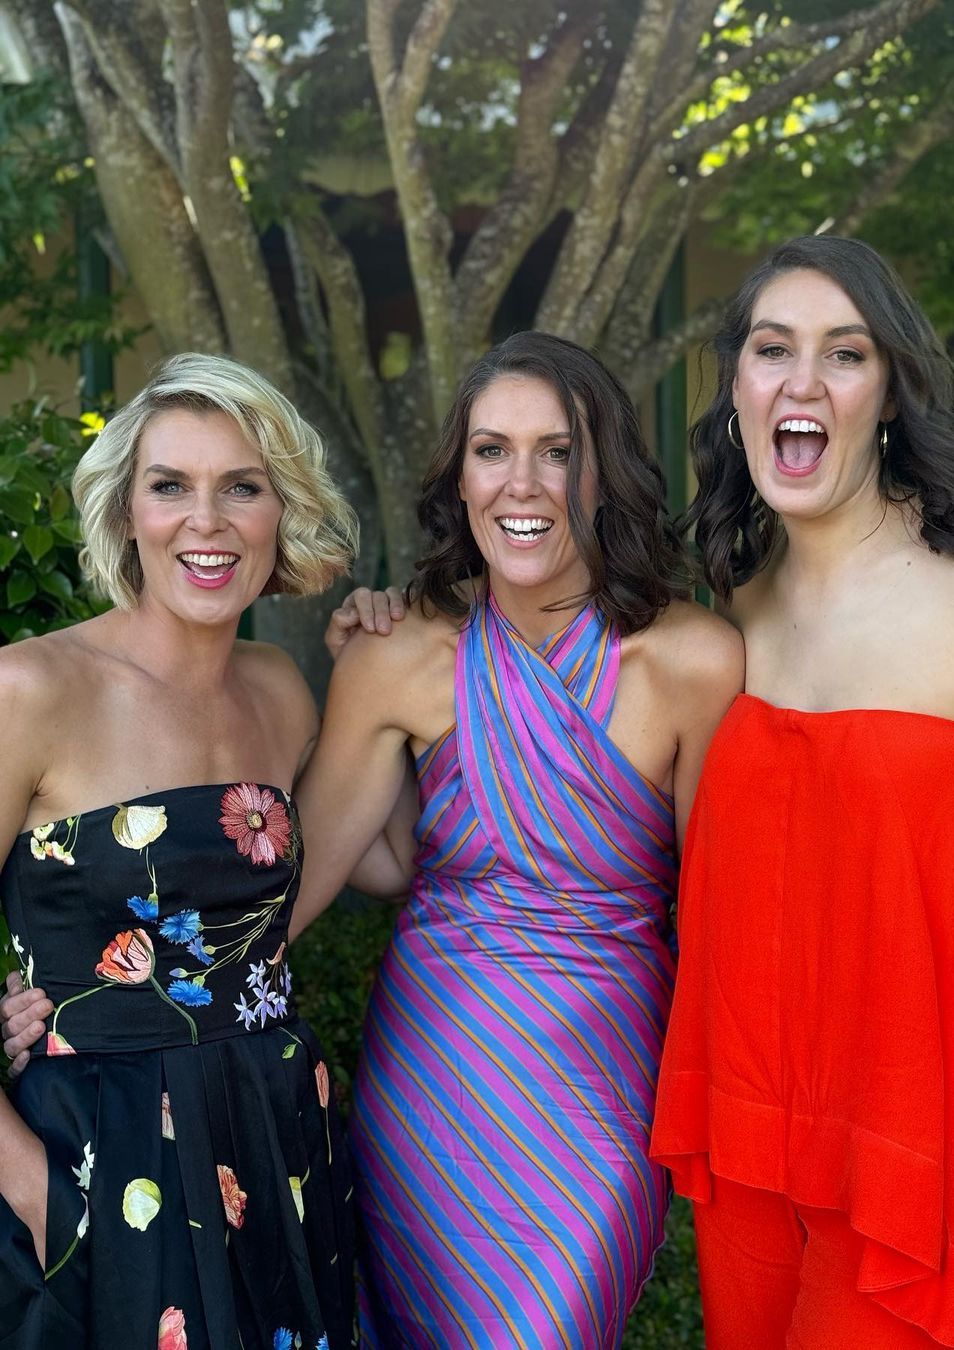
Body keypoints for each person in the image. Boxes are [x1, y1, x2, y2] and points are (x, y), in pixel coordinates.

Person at [650, 235, 954, 1348]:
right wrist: (394, 619)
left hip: (925, 1148)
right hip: (751, 1134)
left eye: (844, 354)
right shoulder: (735, 596)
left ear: (889, 395)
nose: (802, 381)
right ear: (737, 388)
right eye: (772, 349)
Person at [287, 331, 743, 1347]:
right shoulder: (396, 657)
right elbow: (293, 891)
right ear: (460, 478)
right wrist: (93, 988)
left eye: (558, 451)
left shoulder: (697, 662)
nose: (521, 483)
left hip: (604, 1093)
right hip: (431, 1088)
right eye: (492, 450)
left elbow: (727, 920)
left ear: (605, 471)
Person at [0, 353, 387, 1349]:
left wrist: (382, 675)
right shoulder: (28, 690)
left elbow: (384, 861)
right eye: (170, 486)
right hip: (94, 1155)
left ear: (280, 512)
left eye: (242, 487)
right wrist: (37, 1193)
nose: (205, 522)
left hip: (275, 1138)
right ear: (127, 511)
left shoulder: (281, 687)